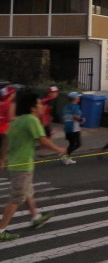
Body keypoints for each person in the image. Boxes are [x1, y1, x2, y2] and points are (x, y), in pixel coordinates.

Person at [0, 90, 68, 242]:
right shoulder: (32, 120)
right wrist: (60, 150)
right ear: (32, 107)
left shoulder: (17, 120)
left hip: (16, 163)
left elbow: (6, 140)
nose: (41, 106)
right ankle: (1, 229)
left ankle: (36, 217)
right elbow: (42, 141)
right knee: (17, 197)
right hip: (22, 165)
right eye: (38, 104)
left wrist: (3, 159)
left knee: (28, 191)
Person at [61, 92, 83, 164]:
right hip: (74, 128)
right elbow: (75, 116)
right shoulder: (75, 106)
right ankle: (65, 155)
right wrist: (81, 120)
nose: (79, 98)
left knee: (71, 143)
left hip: (67, 127)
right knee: (77, 144)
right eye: (78, 97)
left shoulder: (66, 107)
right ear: (75, 98)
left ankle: (67, 157)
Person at [0, 87, 16, 165]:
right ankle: (2, 161)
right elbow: (10, 118)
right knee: (5, 146)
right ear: (10, 94)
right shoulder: (11, 104)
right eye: (13, 93)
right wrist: (19, 118)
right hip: (5, 129)